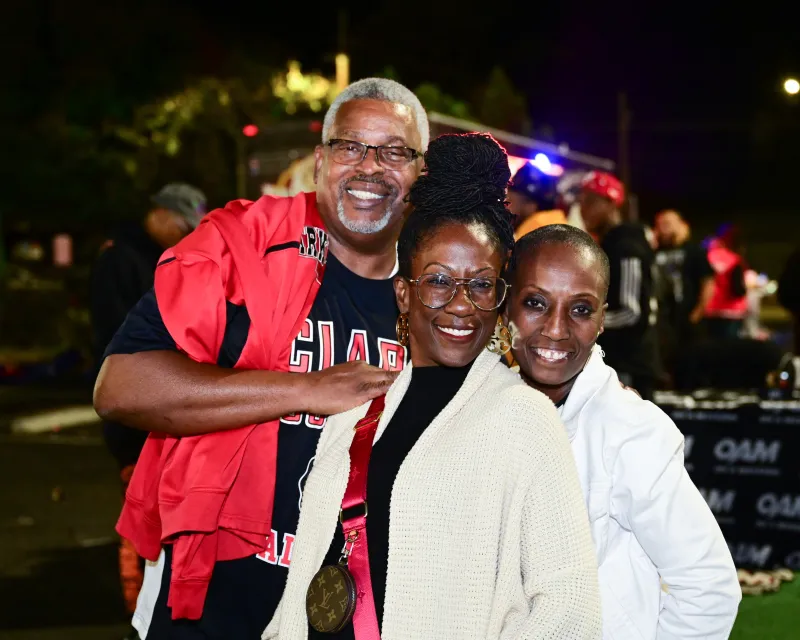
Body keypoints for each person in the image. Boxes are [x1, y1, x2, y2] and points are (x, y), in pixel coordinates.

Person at [93, 78, 428, 639]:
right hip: (212, 601)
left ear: (420, 173)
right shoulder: (245, 245)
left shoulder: (437, 286)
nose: (370, 167)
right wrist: (303, 388)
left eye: (395, 151)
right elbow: (121, 386)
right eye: (350, 146)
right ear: (320, 161)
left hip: (357, 609)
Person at [264, 134, 601, 640]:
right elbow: (308, 570)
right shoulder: (357, 410)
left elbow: (570, 611)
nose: (462, 304)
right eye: (440, 281)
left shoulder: (524, 418)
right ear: (404, 292)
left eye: (481, 284)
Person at [504, 224, 741, 640]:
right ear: (506, 305)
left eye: (580, 309)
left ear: (601, 320)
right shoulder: (487, 407)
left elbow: (708, 587)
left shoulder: (633, 430)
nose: (556, 329)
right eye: (536, 302)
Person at [89, 182, 206, 621]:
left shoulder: (159, 257)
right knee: (142, 523)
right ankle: (138, 614)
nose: (183, 235)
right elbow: (116, 344)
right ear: (158, 214)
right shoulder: (122, 258)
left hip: (164, 403)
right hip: (136, 414)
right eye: (180, 225)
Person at [579, 171, 660, 400]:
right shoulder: (613, 243)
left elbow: (632, 312)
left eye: (591, 201)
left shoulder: (626, 246)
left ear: (611, 203)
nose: (584, 209)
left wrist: (587, 322)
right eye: (582, 201)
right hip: (622, 357)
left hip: (631, 361)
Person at [653, 209, 715, 344]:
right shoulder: (654, 252)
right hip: (663, 319)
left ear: (680, 225)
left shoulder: (694, 251)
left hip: (688, 318)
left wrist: (697, 313)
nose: (662, 228)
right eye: (659, 224)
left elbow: (708, 283)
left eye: (667, 223)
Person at [705, 223, 748, 339]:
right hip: (733, 309)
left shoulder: (707, 257)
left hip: (711, 308)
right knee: (730, 347)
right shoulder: (734, 259)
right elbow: (739, 287)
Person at [506, 161, 566, 239]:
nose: (505, 206)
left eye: (509, 200)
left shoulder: (537, 227)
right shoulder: (554, 223)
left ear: (531, 206)